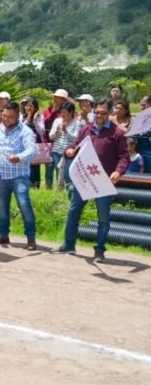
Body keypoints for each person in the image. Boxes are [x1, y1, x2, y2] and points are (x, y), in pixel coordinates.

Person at [53, 99, 129, 263]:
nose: (99, 116)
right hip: (84, 179)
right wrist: (69, 151)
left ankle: (99, 250)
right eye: (97, 112)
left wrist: (118, 171)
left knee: (103, 218)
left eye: (103, 113)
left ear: (110, 113)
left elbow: (124, 157)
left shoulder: (117, 133)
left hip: (103, 182)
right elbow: (73, 146)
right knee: (73, 212)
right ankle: (68, 244)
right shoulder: (86, 129)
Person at [0, 102, 38, 250]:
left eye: (10, 117)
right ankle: (3, 235)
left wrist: (19, 157)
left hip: (19, 176)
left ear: (17, 116)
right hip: (0, 175)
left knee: (24, 205)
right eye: (4, 116)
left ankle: (31, 238)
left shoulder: (25, 131)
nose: (6, 119)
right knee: (2, 207)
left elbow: (32, 150)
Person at [49, 102, 82, 190]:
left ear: (71, 112)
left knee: (68, 172)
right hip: (56, 151)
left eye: (64, 112)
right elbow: (51, 137)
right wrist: (57, 131)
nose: (62, 114)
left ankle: (69, 190)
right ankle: (60, 190)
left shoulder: (77, 123)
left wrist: (65, 131)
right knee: (58, 171)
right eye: (61, 112)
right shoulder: (57, 121)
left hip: (69, 153)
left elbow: (75, 139)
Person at [42, 89, 68, 189]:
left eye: (58, 98)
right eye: (55, 97)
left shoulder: (65, 112)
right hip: (48, 142)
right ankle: (48, 187)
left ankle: (59, 187)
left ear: (64, 100)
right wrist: (52, 112)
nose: (55, 99)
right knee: (49, 166)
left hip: (60, 143)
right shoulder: (47, 110)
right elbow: (44, 123)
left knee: (59, 166)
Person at [23, 97, 46, 189]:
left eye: (31, 106)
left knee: (35, 167)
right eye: (27, 106)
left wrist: (35, 121)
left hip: (36, 146)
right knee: (25, 166)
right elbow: (22, 129)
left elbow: (41, 132)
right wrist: (29, 117)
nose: (28, 108)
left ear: (35, 108)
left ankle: (35, 186)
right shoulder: (21, 116)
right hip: (24, 146)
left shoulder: (40, 117)